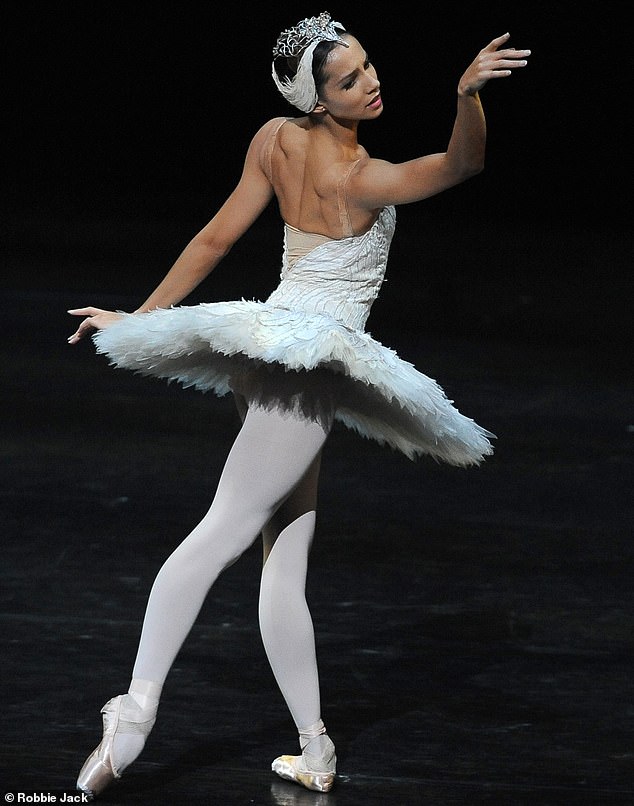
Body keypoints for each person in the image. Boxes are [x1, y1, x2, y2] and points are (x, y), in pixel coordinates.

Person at [68, 11, 529, 798]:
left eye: (368, 66)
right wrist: (468, 98)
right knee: (226, 530)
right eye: (349, 80)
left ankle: (314, 748)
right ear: (318, 100)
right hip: (305, 365)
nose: (371, 82)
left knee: (285, 560)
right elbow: (459, 166)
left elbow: (216, 239)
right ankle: (134, 713)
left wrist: (143, 315)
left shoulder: (274, 141)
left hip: (270, 354)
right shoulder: (357, 178)